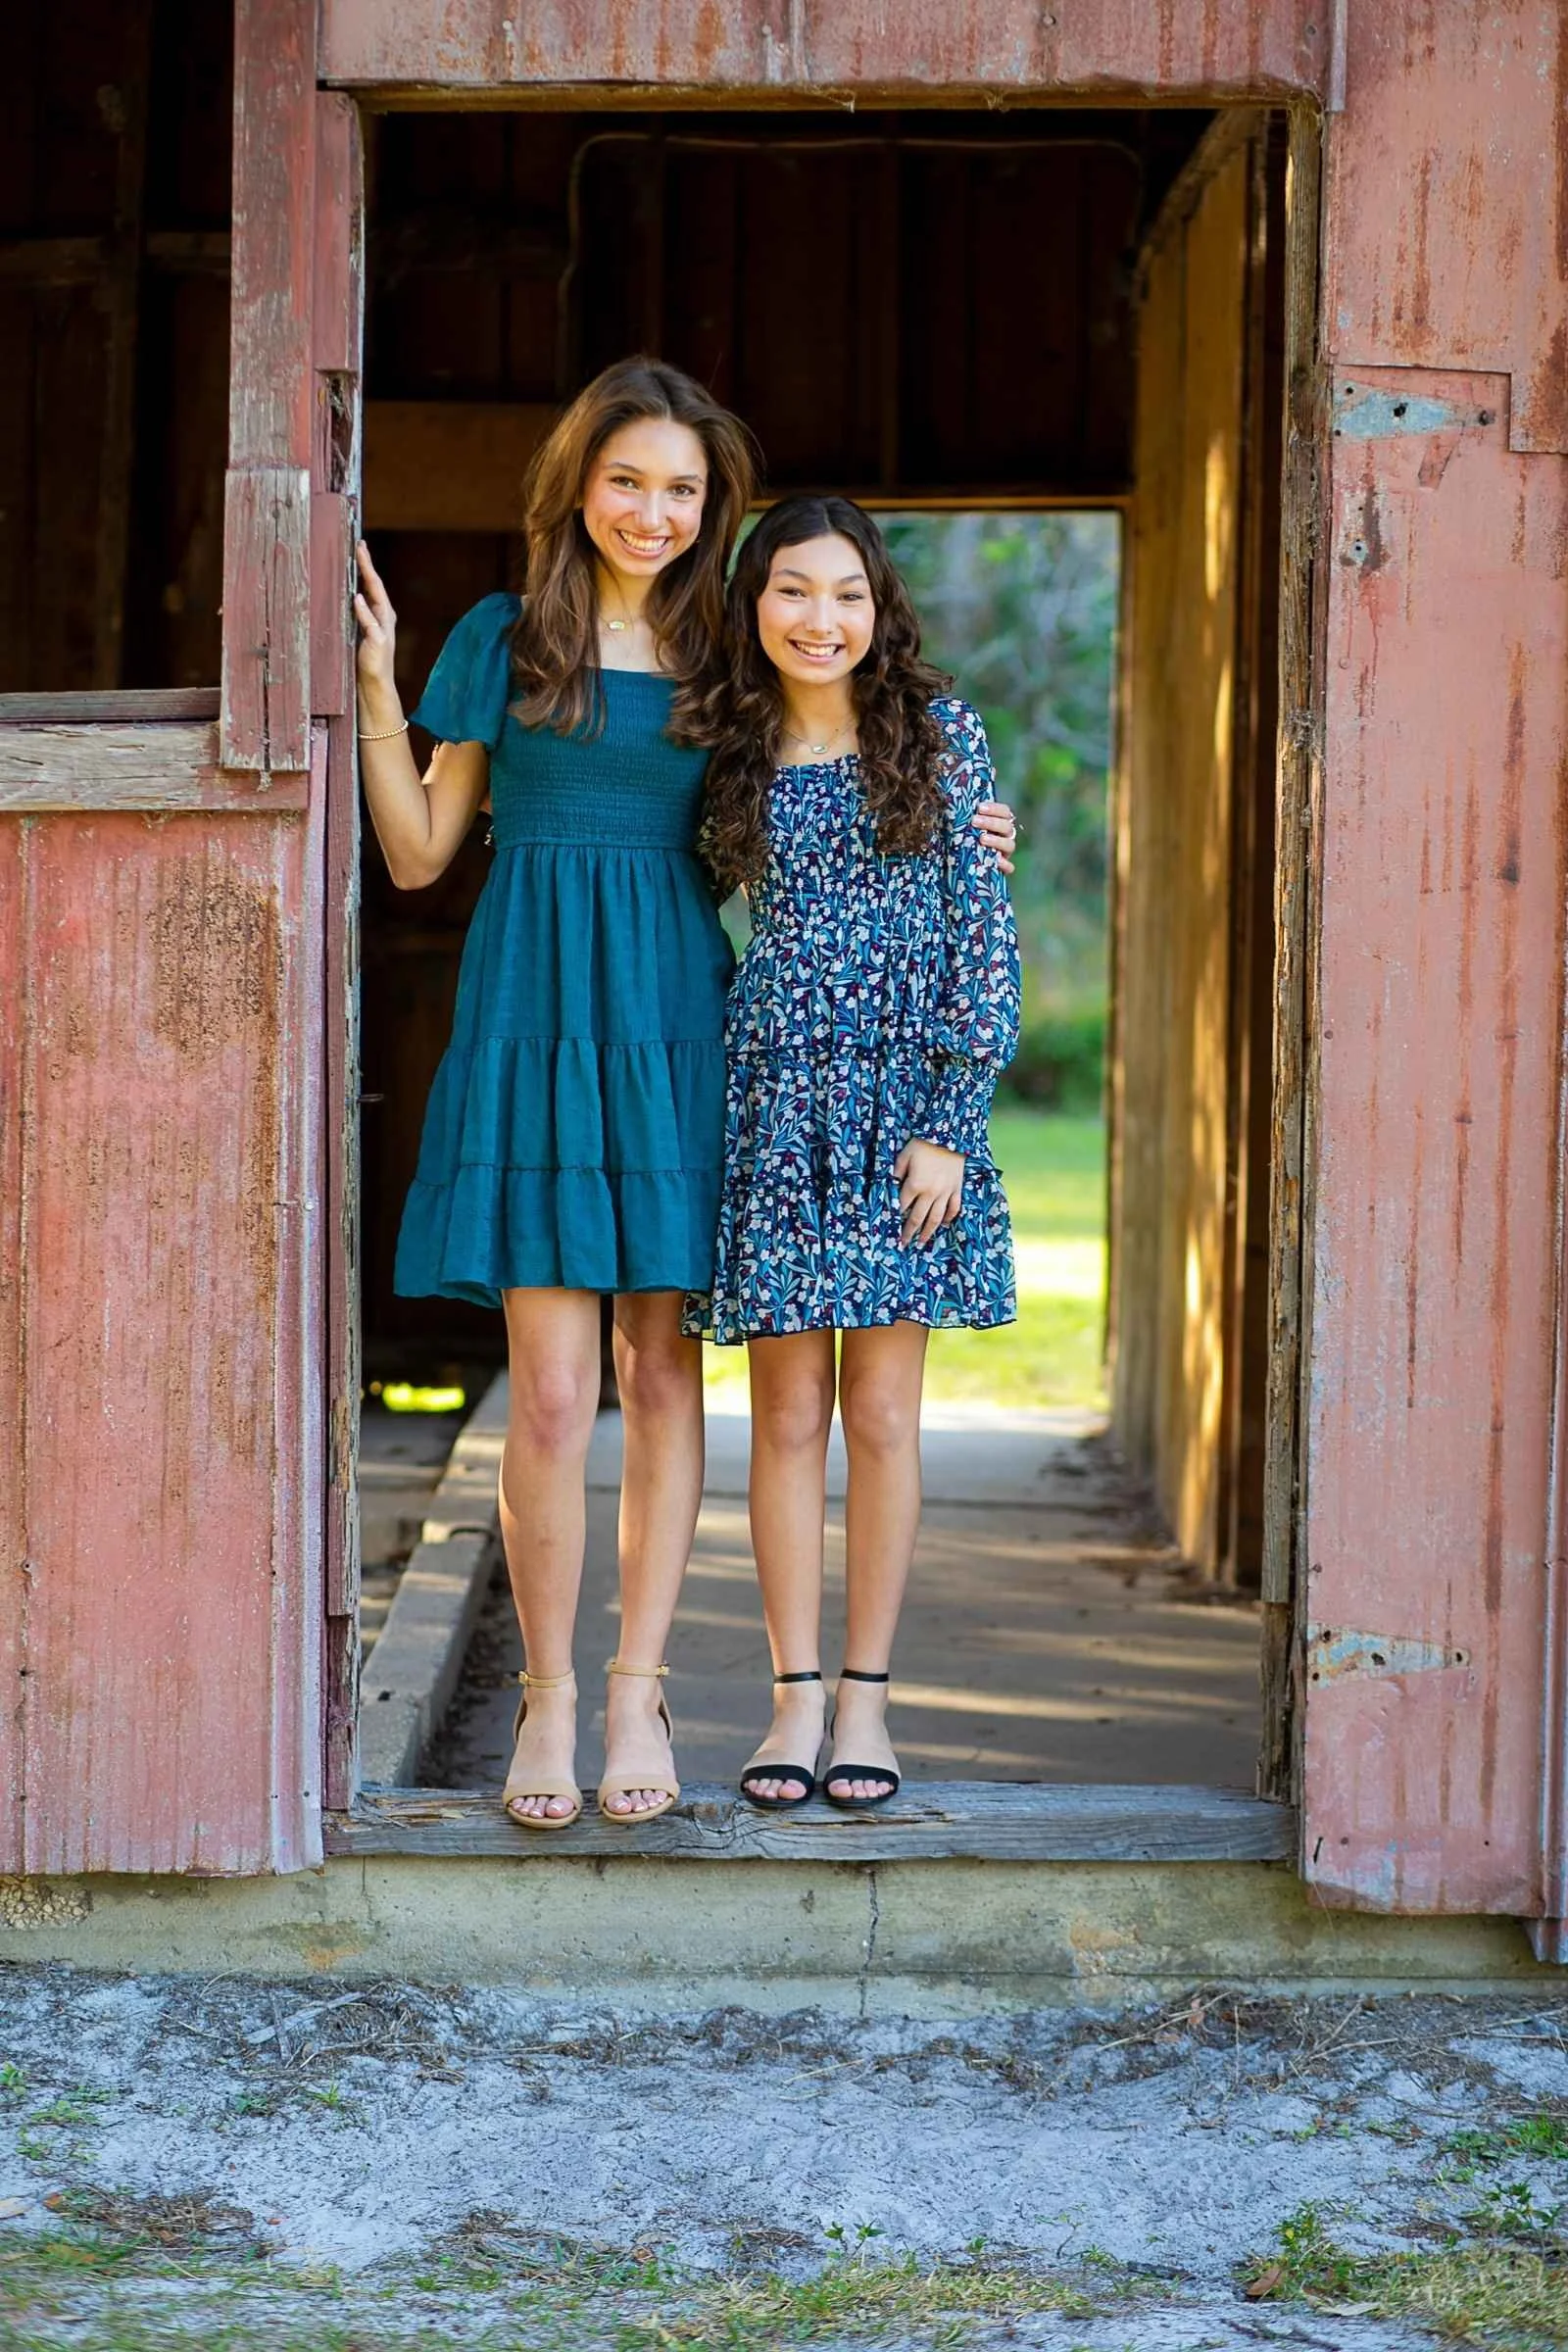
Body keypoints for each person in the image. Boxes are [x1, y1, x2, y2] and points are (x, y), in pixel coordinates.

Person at [354, 357, 758, 1829]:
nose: (654, 512)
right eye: (630, 480)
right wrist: (371, 694)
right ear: (579, 486)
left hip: (671, 1027)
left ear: (712, 509)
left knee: (662, 1372)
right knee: (550, 1389)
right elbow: (413, 855)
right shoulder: (503, 638)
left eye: (683, 490)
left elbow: (827, 799)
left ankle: (639, 1693)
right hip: (533, 1020)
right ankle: (547, 1703)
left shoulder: (735, 645)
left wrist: (966, 817)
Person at [687, 495, 1021, 1812]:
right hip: (778, 1106)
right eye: (791, 591)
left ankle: (870, 1702)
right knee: (784, 1416)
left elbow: (984, 941)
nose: (819, 620)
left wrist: (951, 1118)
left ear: (878, 609)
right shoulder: (723, 752)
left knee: (880, 1415)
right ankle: (790, 1701)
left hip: (905, 1118)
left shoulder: (944, 741)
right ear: (754, 603)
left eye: (845, 595)